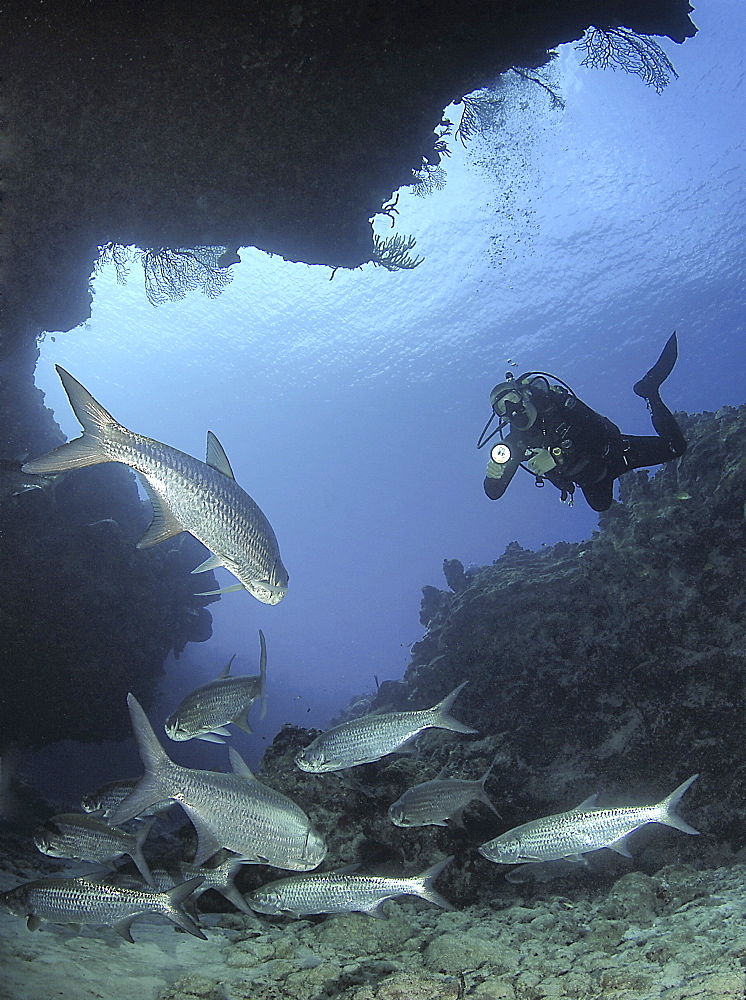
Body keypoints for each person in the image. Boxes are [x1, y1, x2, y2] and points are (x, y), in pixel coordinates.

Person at [478, 332, 687, 512]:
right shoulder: (516, 443)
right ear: (500, 417)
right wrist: (493, 477)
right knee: (601, 505)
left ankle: (649, 391)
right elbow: (494, 493)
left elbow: (596, 429)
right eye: (502, 408)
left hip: (617, 452)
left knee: (676, 447)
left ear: (524, 395)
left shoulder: (556, 404)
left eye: (512, 400)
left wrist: (555, 457)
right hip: (592, 480)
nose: (511, 410)